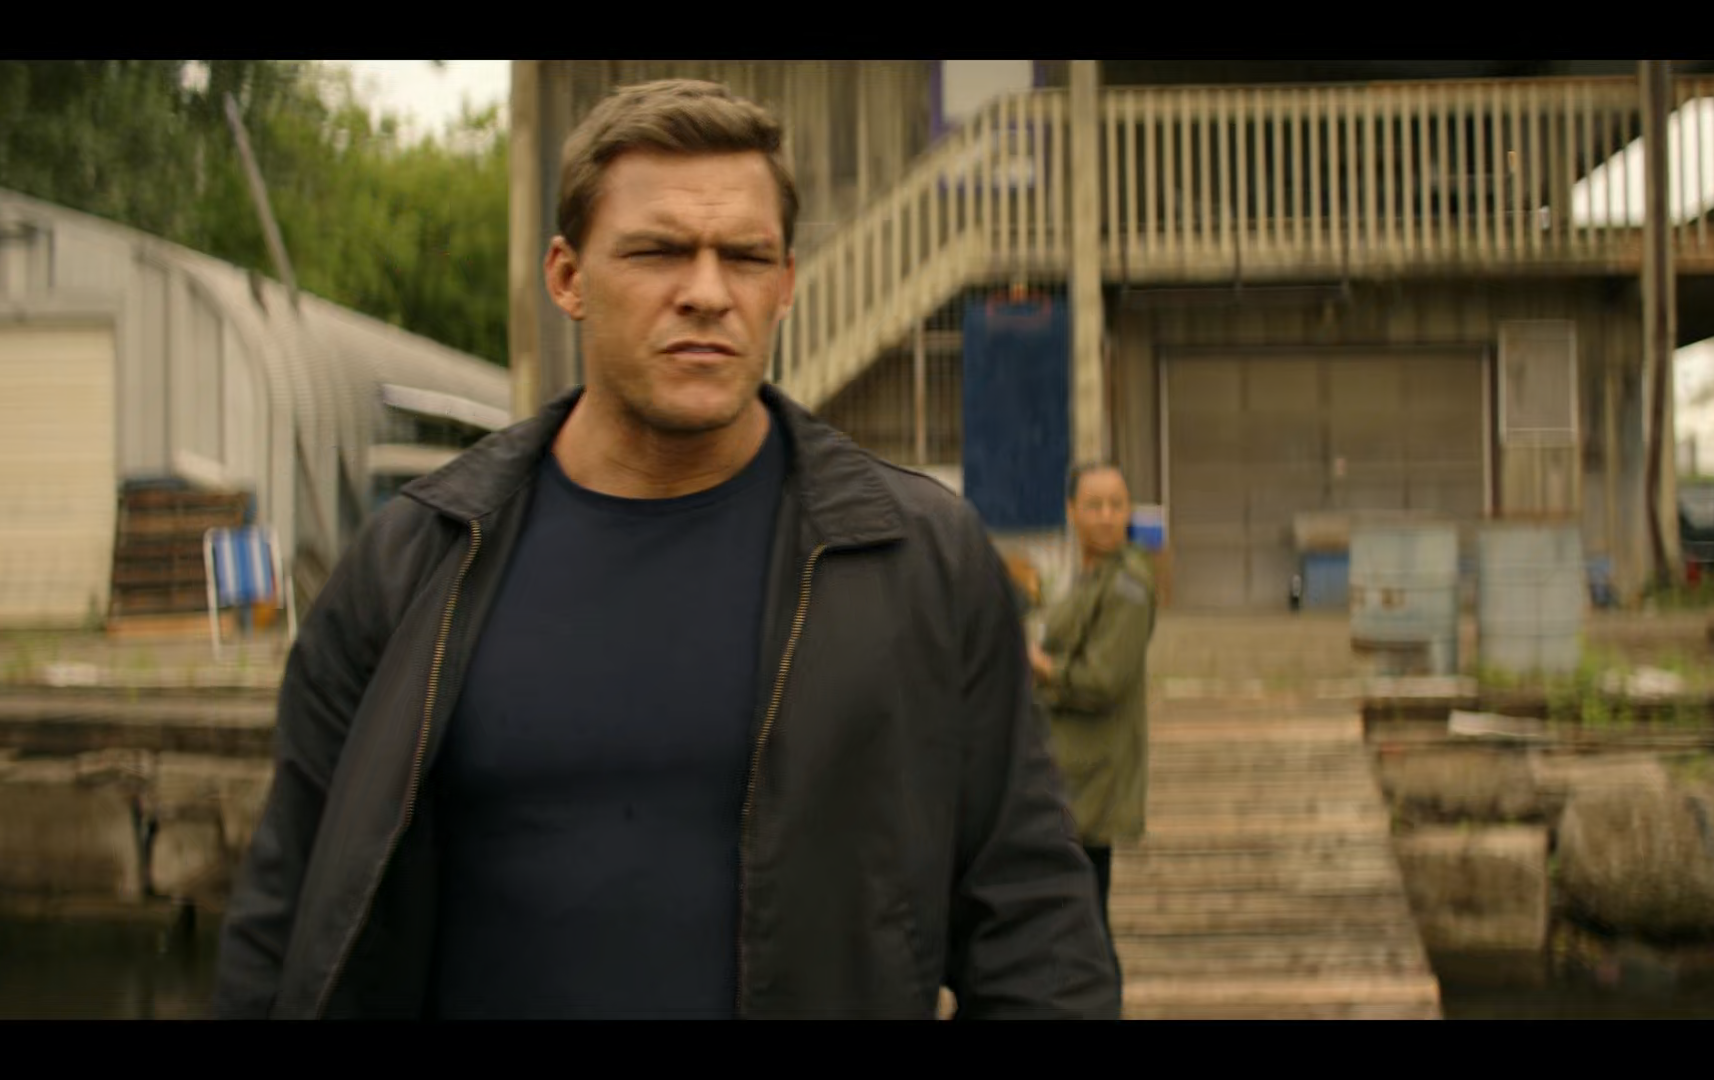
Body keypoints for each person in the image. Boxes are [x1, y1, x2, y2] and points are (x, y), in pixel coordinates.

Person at [210, 78, 1118, 1021]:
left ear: (786, 284)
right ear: (567, 278)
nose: (708, 293)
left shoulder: (919, 564)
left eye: (745, 257)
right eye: (659, 252)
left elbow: (1038, 934)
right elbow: (288, 921)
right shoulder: (413, 565)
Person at [1026, 463, 1158, 993]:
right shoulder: (1090, 574)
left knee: (1085, 916)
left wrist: (1041, 667)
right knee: (1072, 912)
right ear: (1072, 512)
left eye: (1116, 505)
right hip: (1070, 773)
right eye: (1094, 505)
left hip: (1095, 780)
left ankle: (1101, 1006)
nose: (1106, 516)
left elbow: (1103, 680)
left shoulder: (1127, 585)